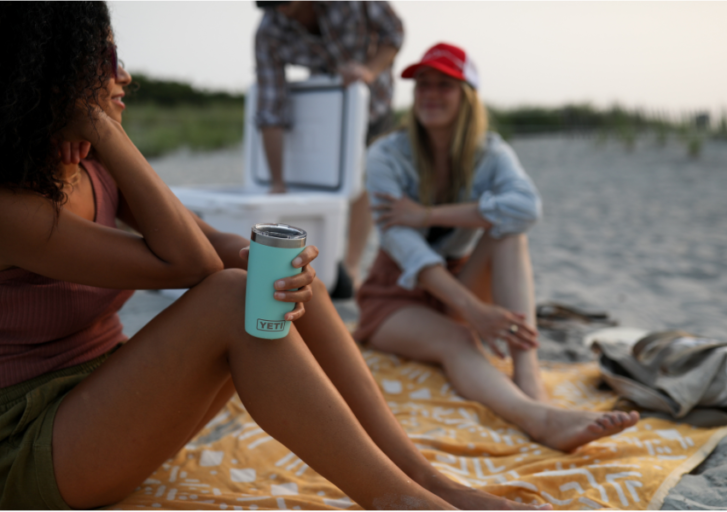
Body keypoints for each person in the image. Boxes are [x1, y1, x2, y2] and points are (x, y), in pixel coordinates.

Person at [0, 5, 548, 510]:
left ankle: (424, 480)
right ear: (54, 72)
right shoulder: (9, 206)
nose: (124, 76)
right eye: (104, 59)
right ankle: (400, 501)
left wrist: (276, 263)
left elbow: (208, 241)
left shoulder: (95, 169)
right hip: (35, 444)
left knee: (269, 272)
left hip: (116, 398)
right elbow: (188, 266)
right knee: (235, 296)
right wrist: (104, 128)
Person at [355, 42, 640, 452]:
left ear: (467, 95)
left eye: (443, 85)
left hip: (459, 279)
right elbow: (404, 246)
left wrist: (429, 215)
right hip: (394, 297)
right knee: (459, 339)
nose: (430, 93)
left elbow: (527, 208)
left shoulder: (489, 150)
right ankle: (540, 419)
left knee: (510, 231)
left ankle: (528, 375)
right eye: (422, 84)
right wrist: (474, 310)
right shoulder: (386, 153)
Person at [254, 1, 403, 293]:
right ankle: (326, 263)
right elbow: (270, 107)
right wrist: (278, 182)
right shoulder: (269, 30)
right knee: (323, 179)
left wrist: (369, 71)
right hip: (329, 109)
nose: (281, 10)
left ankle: (351, 264)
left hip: (375, 101)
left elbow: (393, 33)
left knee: (366, 175)